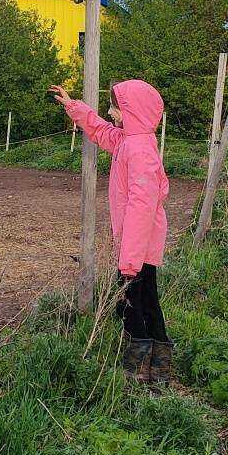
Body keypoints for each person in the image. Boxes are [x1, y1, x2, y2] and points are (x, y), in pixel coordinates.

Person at [50, 79, 172, 384]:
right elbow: (102, 130)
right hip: (138, 244)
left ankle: (135, 369)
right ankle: (160, 367)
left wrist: (127, 261)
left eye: (115, 107)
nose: (110, 111)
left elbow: (141, 211)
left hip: (136, 245)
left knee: (128, 304)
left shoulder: (140, 151)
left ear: (132, 112)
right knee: (148, 300)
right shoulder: (132, 140)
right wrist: (73, 106)